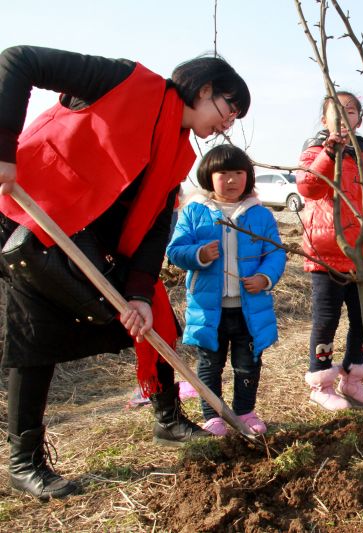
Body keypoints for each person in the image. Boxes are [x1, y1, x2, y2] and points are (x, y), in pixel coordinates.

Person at [0, 45, 251, 499]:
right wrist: (3, 149)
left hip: (90, 243)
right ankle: (24, 462)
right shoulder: (125, 82)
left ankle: (169, 419)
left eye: (234, 120)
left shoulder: (176, 154)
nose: (227, 125)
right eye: (229, 109)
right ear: (205, 88)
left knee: (155, 315)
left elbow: (154, 227)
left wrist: (137, 291)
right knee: (35, 335)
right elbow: (17, 60)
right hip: (31, 217)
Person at [167, 144, 286, 435]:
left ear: (248, 177)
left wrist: (264, 278)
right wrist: (199, 254)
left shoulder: (259, 214)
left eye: (238, 173)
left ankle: (245, 412)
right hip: (209, 309)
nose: (231, 180)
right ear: (209, 176)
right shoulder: (195, 211)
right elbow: (175, 250)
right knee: (210, 363)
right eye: (223, 173)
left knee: (248, 363)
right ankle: (214, 416)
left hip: (249, 308)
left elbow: (275, 253)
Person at [296, 91, 363, 411]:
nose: (345, 117)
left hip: (360, 254)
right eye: (338, 111)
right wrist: (328, 154)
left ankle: (353, 377)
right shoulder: (316, 150)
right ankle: (322, 383)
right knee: (326, 321)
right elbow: (307, 186)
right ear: (325, 120)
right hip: (325, 253)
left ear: (360, 119)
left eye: (352, 111)